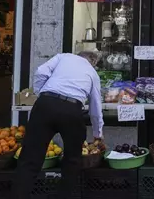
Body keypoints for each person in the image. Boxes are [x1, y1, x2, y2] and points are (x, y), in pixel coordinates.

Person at [15, 51, 104, 199]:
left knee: (30, 158)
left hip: (45, 105)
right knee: (72, 159)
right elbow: (96, 107)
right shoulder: (93, 73)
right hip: (72, 109)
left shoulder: (64, 56)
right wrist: (98, 133)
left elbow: (40, 72)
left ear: (78, 55)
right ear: (93, 62)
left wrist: (41, 93)